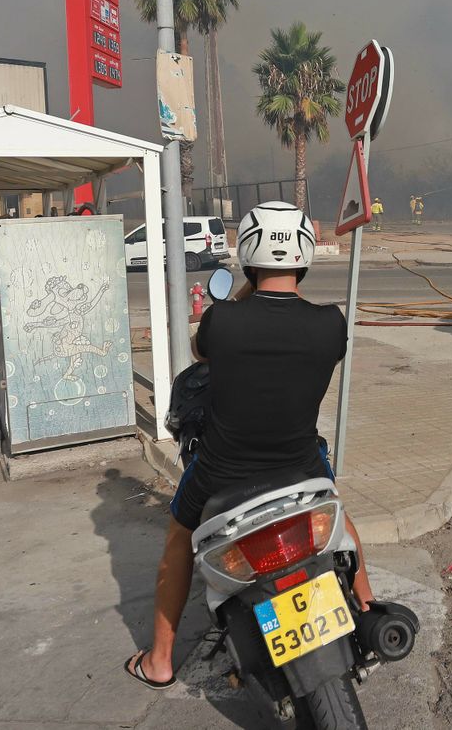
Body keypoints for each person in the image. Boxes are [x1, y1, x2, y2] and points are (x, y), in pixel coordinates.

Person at [125, 201, 375, 690]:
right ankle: (368, 611)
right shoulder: (330, 323)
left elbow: (201, 352)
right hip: (302, 467)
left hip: (223, 473)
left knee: (179, 536)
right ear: (303, 253)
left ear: (247, 253)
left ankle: (159, 661)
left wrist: (241, 292)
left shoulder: (224, 322)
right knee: (341, 518)